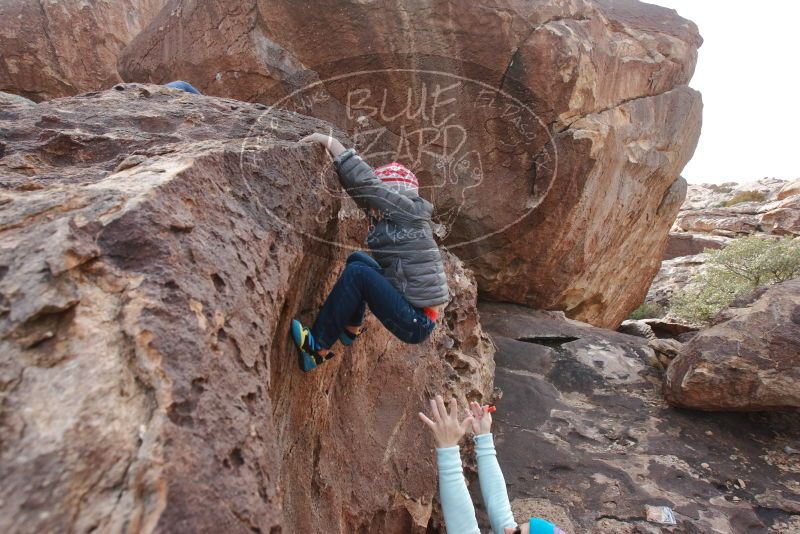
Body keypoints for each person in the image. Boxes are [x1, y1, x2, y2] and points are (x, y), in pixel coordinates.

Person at [290, 132, 449, 372]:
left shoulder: (406, 212)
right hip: (412, 309)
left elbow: (367, 185)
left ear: (393, 195)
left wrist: (330, 143)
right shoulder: (398, 216)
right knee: (358, 260)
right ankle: (350, 328)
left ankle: (317, 349)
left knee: (357, 274)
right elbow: (362, 192)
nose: (373, 205)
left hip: (417, 321)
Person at [418, 396, 565, 534]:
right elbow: (500, 509)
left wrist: (448, 448)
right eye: (517, 528)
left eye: (517, 533)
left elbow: (464, 529)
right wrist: (484, 438)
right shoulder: (508, 530)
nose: (508, 530)